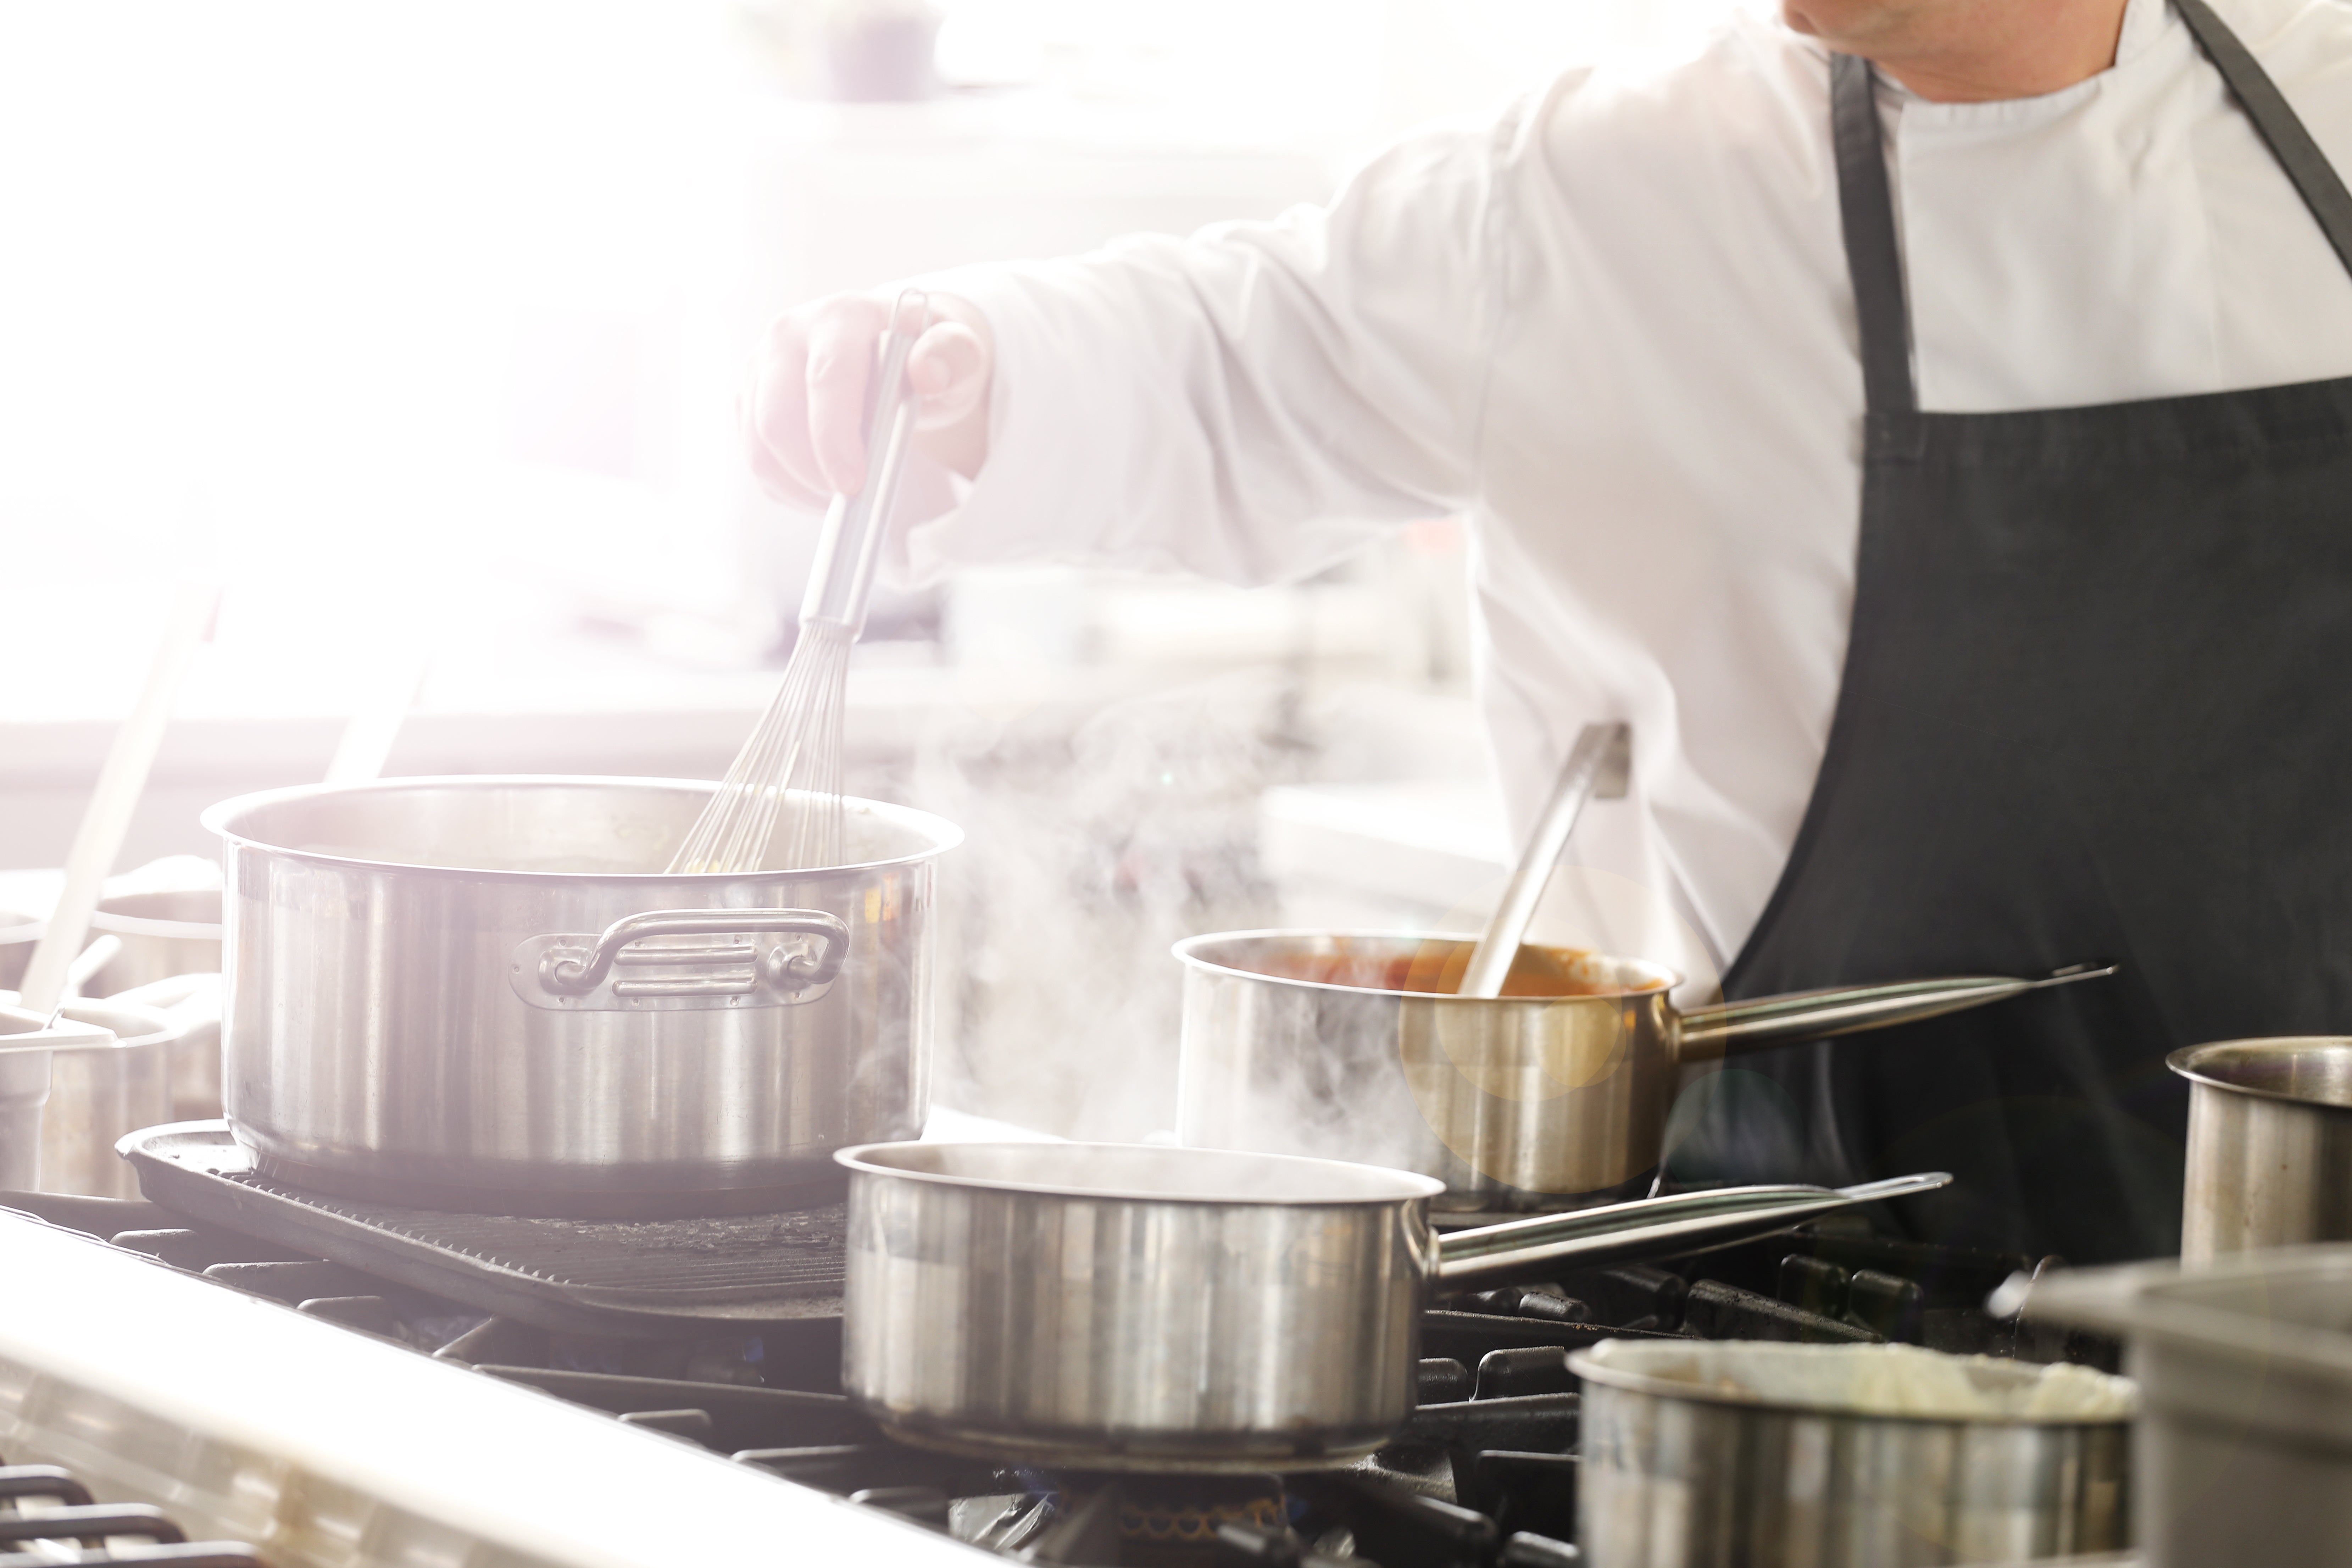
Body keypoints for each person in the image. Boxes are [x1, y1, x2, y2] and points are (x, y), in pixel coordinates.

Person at [744, 0, 2352, 1263]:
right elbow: (1240, 350)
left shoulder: (2328, 111)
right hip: (1804, 1350)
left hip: (2306, 1344)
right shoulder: (1612, 195)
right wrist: (968, 363)